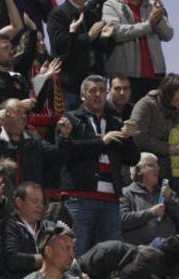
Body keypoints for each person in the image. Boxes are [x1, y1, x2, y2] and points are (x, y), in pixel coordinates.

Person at [58, 75, 140, 256]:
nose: (98, 95)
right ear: (82, 96)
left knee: (113, 255)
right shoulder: (70, 119)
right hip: (80, 198)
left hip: (111, 200)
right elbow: (66, 152)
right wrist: (102, 142)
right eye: (92, 91)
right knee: (75, 253)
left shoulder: (115, 122)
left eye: (102, 91)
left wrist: (128, 139)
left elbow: (133, 159)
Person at [103, 0, 174, 101]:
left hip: (155, 75)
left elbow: (168, 34)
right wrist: (148, 25)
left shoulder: (152, 4)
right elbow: (116, 32)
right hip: (126, 77)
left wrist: (158, 19)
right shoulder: (111, 5)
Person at [47, 0, 108, 106]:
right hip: (69, 83)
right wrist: (88, 37)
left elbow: (99, 47)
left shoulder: (90, 15)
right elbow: (59, 44)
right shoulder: (58, 13)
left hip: (91, 81)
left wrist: (108, 37)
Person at [0, 98, 59, 188]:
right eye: (18, 112)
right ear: (4, 115)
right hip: (4, 198)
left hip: (30, 198)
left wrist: (64, 137)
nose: (24, 116)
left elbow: (55, 153)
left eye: (24, 112)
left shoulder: (33, 139)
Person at [120, 152, 179, 245]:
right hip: (141, 252)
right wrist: (151, 212)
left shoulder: (165, 191)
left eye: (157, 165)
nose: (157, 168)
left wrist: (170, 200)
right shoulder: (126, 193)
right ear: (139, 170)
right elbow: (122, 220)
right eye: (151, 165)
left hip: (170, 249)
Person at [129, 74, 179, 180]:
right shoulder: (145, 105)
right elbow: (138, 136)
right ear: (169, 93)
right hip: (144, 163)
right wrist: (166, 148)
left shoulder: (176, 110)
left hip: (166, 164)